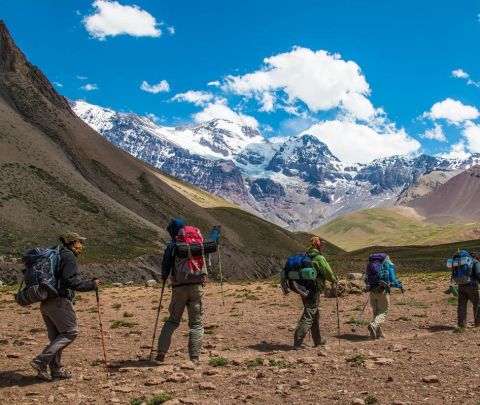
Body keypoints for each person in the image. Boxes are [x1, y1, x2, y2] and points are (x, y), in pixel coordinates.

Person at [30, 232, 100, 381]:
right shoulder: (69, 257)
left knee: (56, 337)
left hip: (46, 301)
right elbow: (69, 281)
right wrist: (91, 285)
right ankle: (41, 361)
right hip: (59, 302)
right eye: (80, 242)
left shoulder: (58, 254)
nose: (82, 245)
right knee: (70, 332)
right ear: (73, 243)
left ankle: (56, 369)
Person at [155, 219, 219, 365]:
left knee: (172, 320)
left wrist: (165, 277)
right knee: (196, 324)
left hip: (179, 288)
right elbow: (213, 241)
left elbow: (166, 264)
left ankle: (161, 353)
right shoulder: (199, 243)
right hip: (197, 287)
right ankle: (194, 358)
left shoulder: (173, 245)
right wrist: (215, 231)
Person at [293, 236, 337, 349]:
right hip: (314, 289)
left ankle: (318, 340)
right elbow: (328, 273)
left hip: (303, 289)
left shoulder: (306, 256)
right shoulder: (319, 258)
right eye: (321, 244)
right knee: (309, 313)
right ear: (319, 245)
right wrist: (334, 280)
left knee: (314, 314)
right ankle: (298, 341)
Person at [365, 254, 402, 339]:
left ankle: (378, 334)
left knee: (376, 312)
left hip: (372, 292)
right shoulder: (387, 265)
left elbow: (366, 278)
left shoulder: (370, 266)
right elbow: (393, 280)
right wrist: (399, 285)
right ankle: (373, 325)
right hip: (382, 291)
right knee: (383, 311)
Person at [456, 251, 480, 328]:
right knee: (477, 304)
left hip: (460, 285)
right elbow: (478, 273)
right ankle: (478, 323)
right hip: (472, 286)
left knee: (461, 305)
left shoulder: (461, 262)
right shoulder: (475, 261)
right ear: (476, 257)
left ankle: (461, 324)